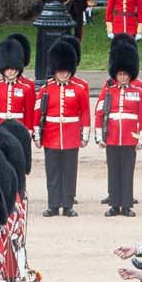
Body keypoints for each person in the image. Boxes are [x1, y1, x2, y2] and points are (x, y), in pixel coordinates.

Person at [34, 40, 91, 216]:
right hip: (51, 135)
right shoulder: (45, 89)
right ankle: (53, 205)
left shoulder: (79, 89)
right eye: (60, 71)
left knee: (69, 171)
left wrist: (85, 135)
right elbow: (38, 113)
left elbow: (85, 113)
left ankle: (67, 205)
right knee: (52, 172)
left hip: (71, 135)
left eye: (66, 71)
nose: (64, 74)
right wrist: (37, 134)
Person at [97, 41, 142, 216]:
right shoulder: (109, 91)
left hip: (129, 137)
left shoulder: (138, 91)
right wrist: (100, 136)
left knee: (127, 172)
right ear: (115, 74)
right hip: (111, 136)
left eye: (126, 74)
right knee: (113, 171)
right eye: (120, 74)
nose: (123, 77)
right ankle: (114, 204)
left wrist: (141, 138)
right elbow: (100, 112)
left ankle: (126, 205)